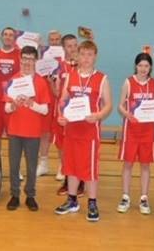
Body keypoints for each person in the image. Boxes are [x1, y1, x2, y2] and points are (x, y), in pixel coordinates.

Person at [54, 40, 112, 222]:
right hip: (72, 130)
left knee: (90, 169)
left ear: (95, 57)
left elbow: (108, 104)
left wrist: (98, 115)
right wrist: (60, 116)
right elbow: (62, 100)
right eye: (83, 54)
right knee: (70, 166)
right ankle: (72, 200)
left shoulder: (101, 78)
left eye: (89, 55)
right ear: (77, 56)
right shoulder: (70, 76)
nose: (86, 58)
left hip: (90, 131)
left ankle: (92, 202)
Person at [5, 46, 51, 212]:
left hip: (32, 131)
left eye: (30, 59)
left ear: (35, 61)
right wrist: (13, 105)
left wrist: (32, 105)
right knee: (14, 165)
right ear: (20, 59)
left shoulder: (41, 82)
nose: (26, 62)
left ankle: (30, 195)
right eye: (24, 58)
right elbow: (6, 109)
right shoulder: (13, 80)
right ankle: (15, 194)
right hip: (15, 130)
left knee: (32, 166)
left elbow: (45, 110)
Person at [117, 53, 154, 215]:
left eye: (146, 66)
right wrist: (128, 114)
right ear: (136, 66)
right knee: (128, 164)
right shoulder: (128, 82)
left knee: (145, 165)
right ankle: (125, 196)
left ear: (150, 68)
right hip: (131, 130)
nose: (143, 69)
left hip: (148, 130)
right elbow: (120, 105)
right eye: (140, 65)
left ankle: (144, 198)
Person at [54, 34, 85, 196]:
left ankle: (81, 181)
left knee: (79, 148)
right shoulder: (58, 66)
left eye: (75, 45)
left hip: (79, 113)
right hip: (63, 113)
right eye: (69, 46)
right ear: (63, 48)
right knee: (64, 148)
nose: (73, 48)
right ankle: (68, 180)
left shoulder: (82, 65)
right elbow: (57, 93)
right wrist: (52, 82)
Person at [36, 30, 61, 177]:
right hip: (46, 98)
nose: (54, 42)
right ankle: (43, 163)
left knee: (60, 134)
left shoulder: (66, 58)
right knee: (44, 133)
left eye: (57, 39)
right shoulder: (42, 56)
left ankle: (62, 166)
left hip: (60, 100)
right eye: (52, 39)